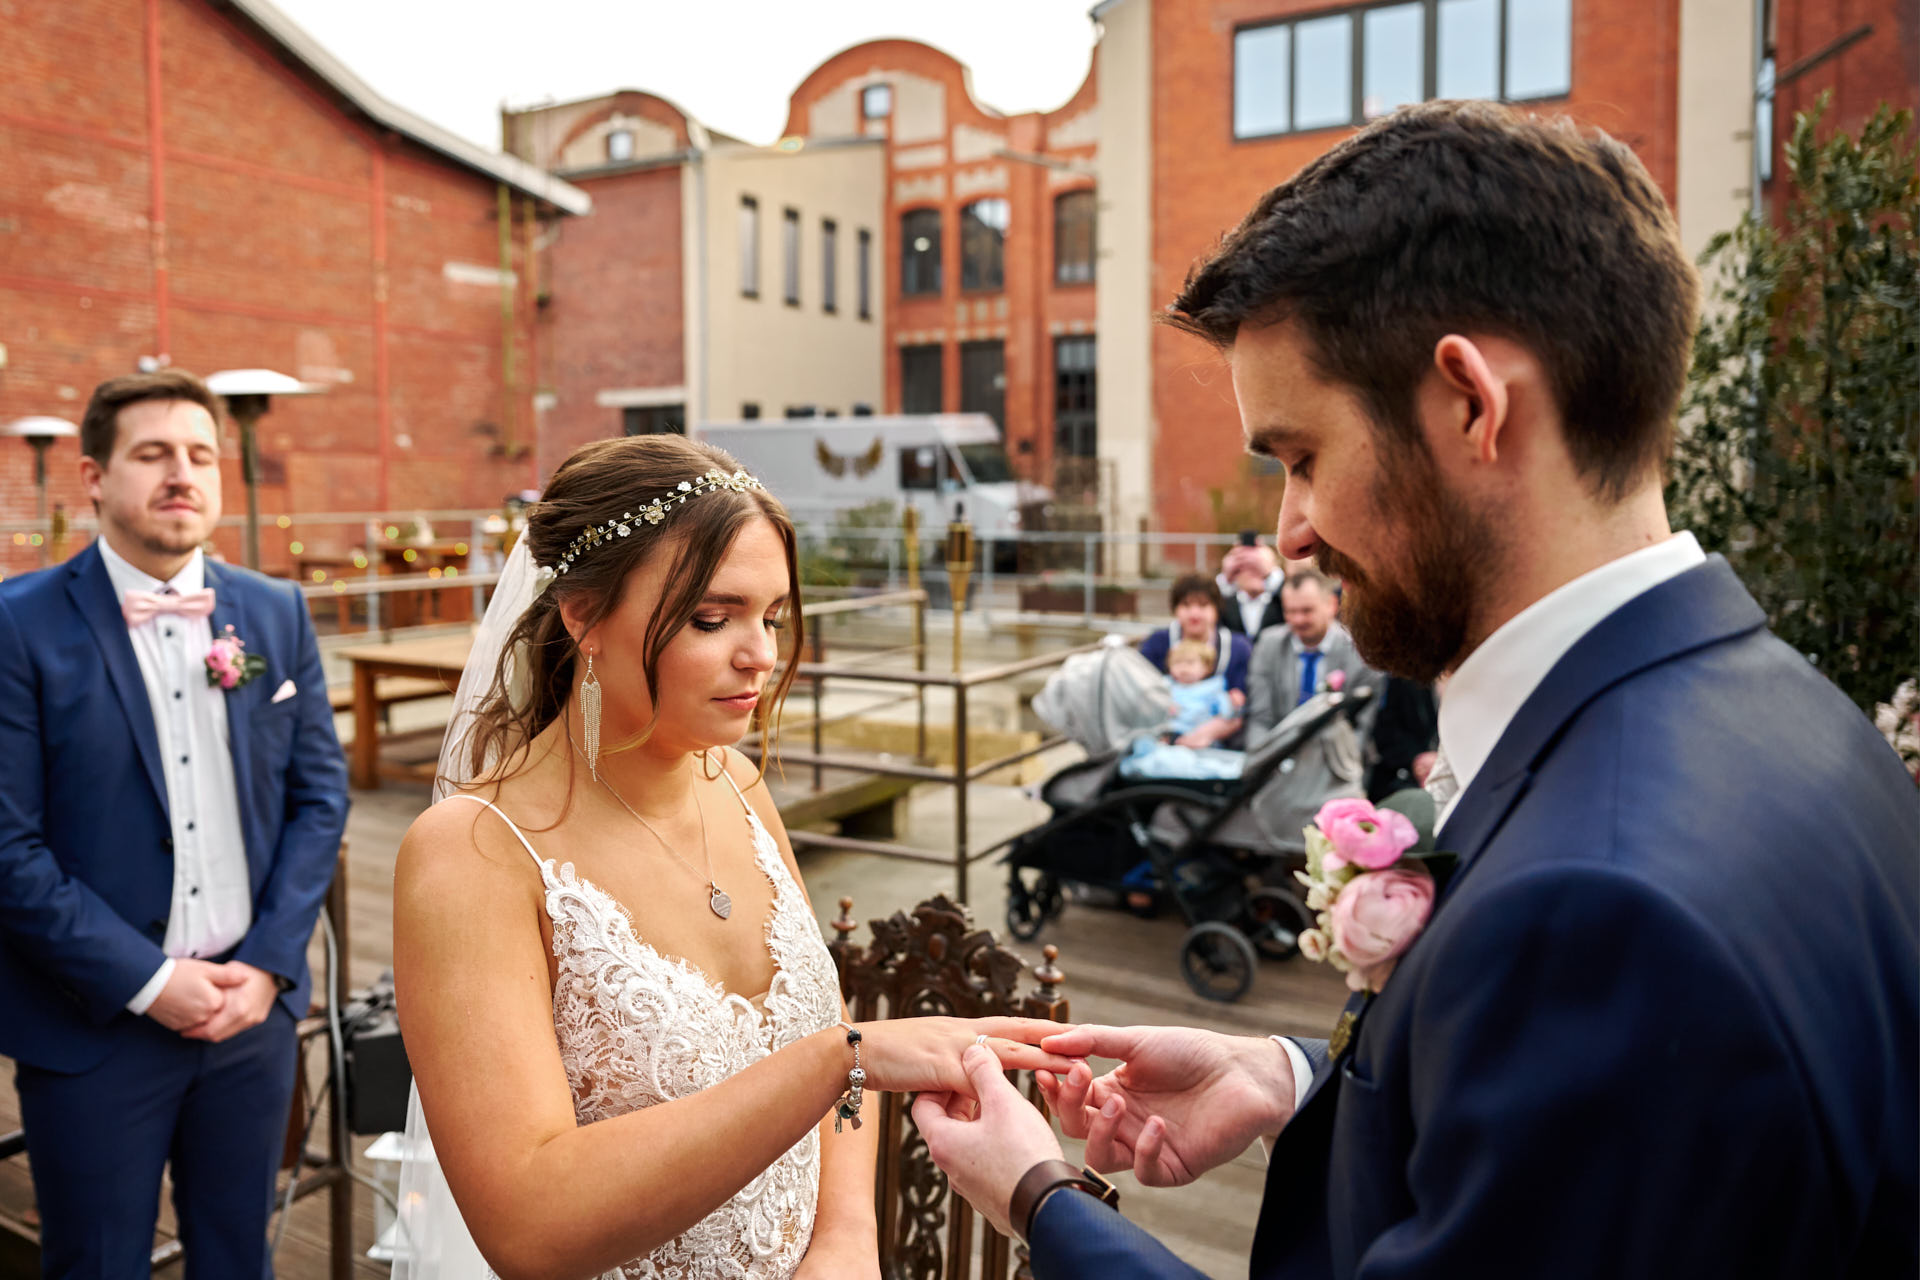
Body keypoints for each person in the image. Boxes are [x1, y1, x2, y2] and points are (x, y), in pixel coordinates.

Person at [908, 100, 1918, 1277]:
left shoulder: (1599, 913)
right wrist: (1295, 1075)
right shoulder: (1805, 716)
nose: (1288, 531)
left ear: (1471, 404)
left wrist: (1044, 1197)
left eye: (1303, 457)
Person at [390, 435, 1070, 1280]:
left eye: (773, 616)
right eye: (713, 619)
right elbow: (529, 1226)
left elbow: (831, 1036)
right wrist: (838, 1060)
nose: (761, 654)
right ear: (583, 615)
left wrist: (847, 1239)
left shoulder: (739, 788)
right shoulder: (475, 853)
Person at [0, 369, 350, 1277]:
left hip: (251, 1016)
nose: (181, 474)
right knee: (99, 1264)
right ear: (93, 476)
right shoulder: (17, 626)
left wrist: (271, 966)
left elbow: (319, 797)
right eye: (152, 454)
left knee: (238, 1259)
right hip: (95, 1024)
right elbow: (8, 847)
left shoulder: (276, 610)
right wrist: (151, 981)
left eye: (199, 455)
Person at [1245, 569, 1376, 740]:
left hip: (1337, 754)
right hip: (1278, 751)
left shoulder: (1358, 651)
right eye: (1290, 611)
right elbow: (1260, 718)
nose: (1298, 620)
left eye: (1307, 611)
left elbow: (1361, 727)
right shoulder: (1268, 645)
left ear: (1332, 605)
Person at [1136, 574, 1249, 748]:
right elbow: (1141, 694)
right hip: (1164, 737)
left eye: (1203, 605)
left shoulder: (1237, 648)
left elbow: (1243, 708)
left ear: (1216, 609)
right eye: (1186, 605)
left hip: (1221, 743)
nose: (1194, 613)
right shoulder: (1158, 643)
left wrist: (1206, 733)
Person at [1217, 540, 1285, 640]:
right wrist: (1225, 577)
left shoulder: (1279, 602)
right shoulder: (1225, 605)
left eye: (1257, 566)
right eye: (1246, 567)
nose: (1253, 573)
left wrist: (1271, 572)